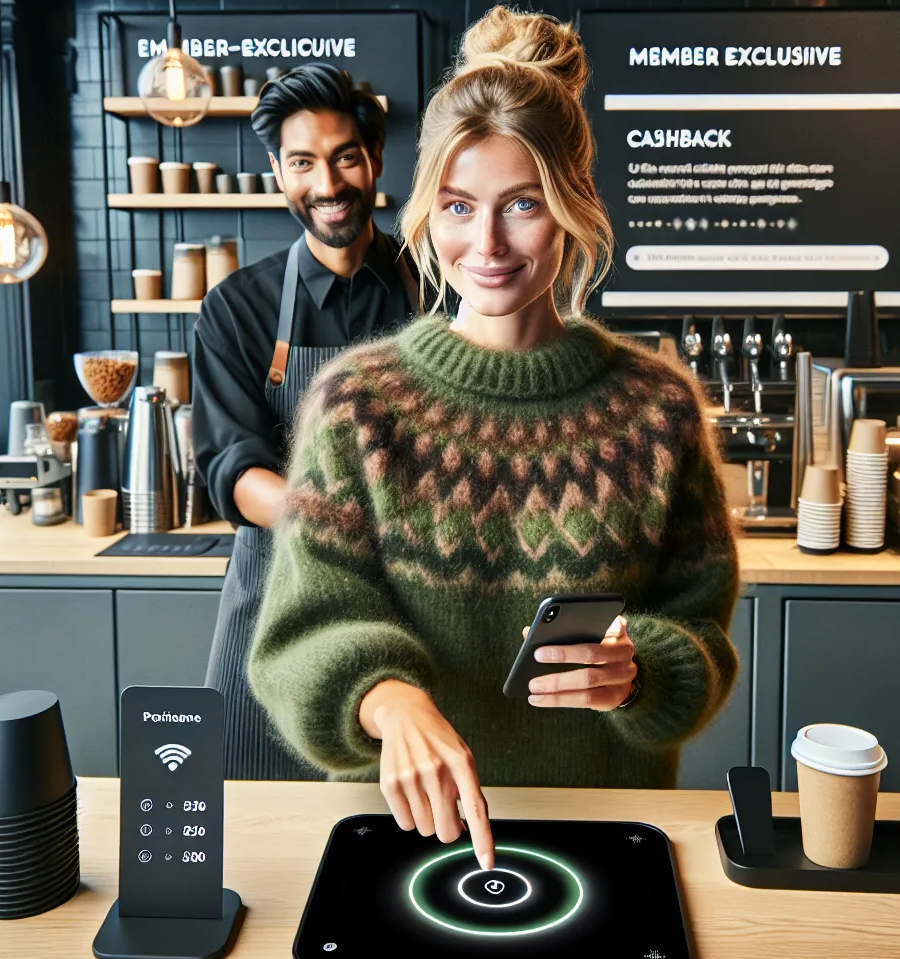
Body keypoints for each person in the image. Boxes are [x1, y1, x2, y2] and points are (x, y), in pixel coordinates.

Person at [249, 7, 740, 868]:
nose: (486, 244)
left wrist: (643, 668)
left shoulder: (657, 410)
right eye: (457, 206)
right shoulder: (359, 405)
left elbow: (700, 635)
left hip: (599, 829)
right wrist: (389, 700)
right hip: (398, 832)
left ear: (574, 205)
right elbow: (301, 632)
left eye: (523, 205)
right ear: (426, 212)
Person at [192, 63, 417, 780]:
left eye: (345, 157)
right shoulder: (237, 309)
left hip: (414, 596)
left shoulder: (441, 291)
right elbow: (231, 466)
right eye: (302, 163)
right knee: (250, 806)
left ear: (374, 158)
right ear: (277, 172)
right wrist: (330, 520)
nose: (326, 184)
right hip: (276, 595)